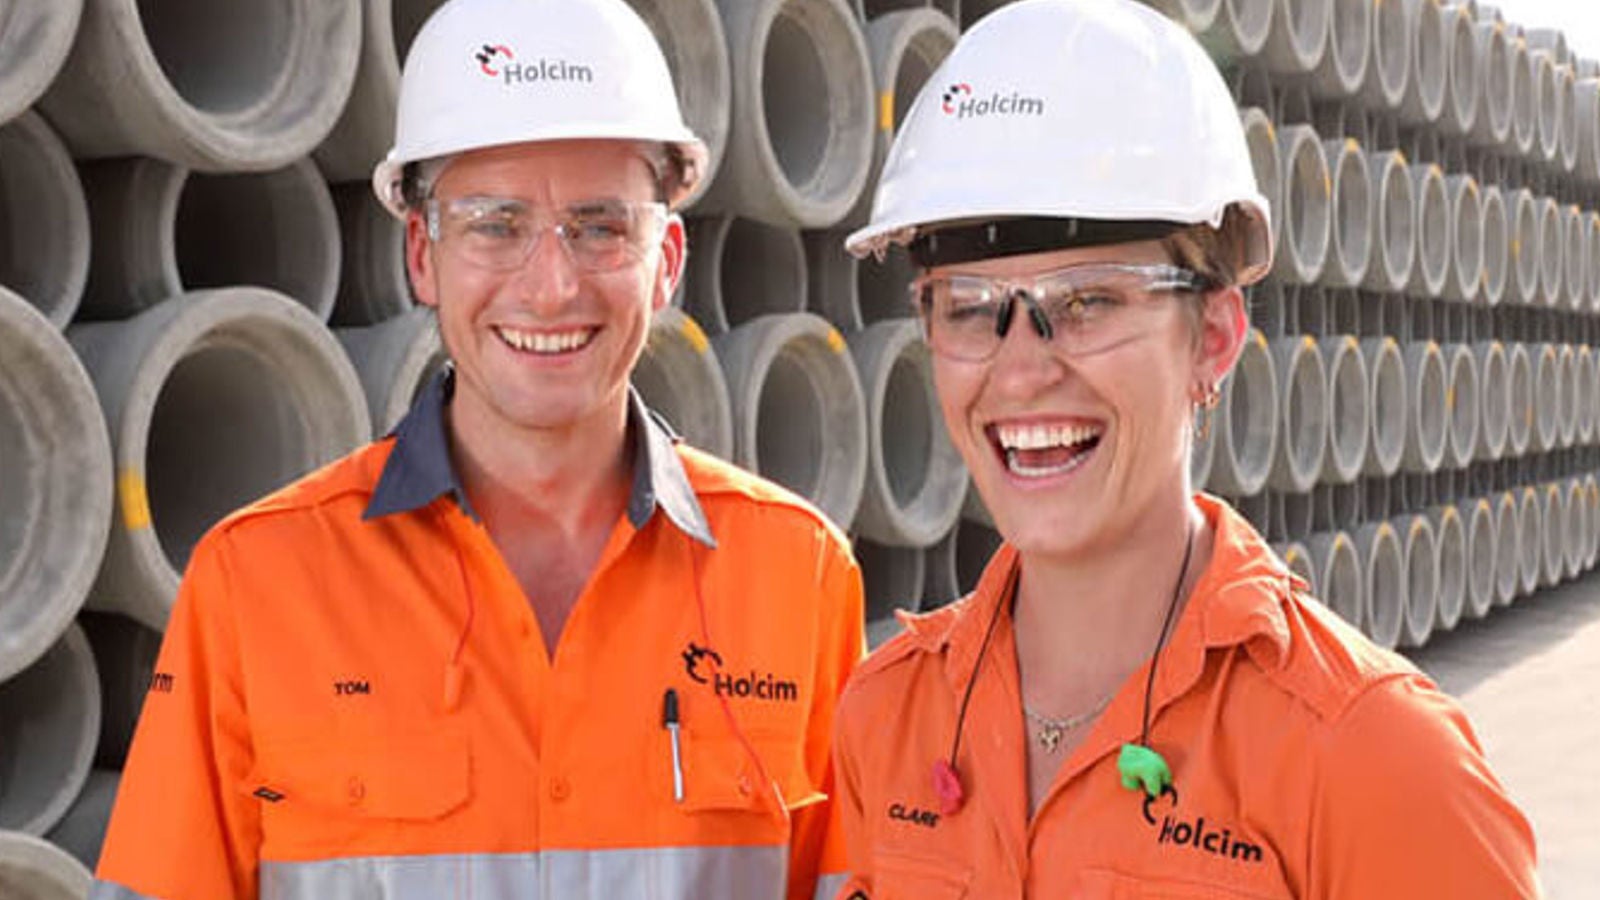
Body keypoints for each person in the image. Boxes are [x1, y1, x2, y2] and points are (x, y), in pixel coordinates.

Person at [90, 1, 863, 897]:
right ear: (423, 253)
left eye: (601, 226)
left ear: (666, 260)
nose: (551, 286)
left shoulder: (798, 577)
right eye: (495, 224)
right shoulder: (256, 584)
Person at [831, 0, 1541, 896]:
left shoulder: (1371, 762)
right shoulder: (887, 718)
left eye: (1088, 300)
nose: (1019, 373)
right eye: (969, 305)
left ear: (1212, 337)